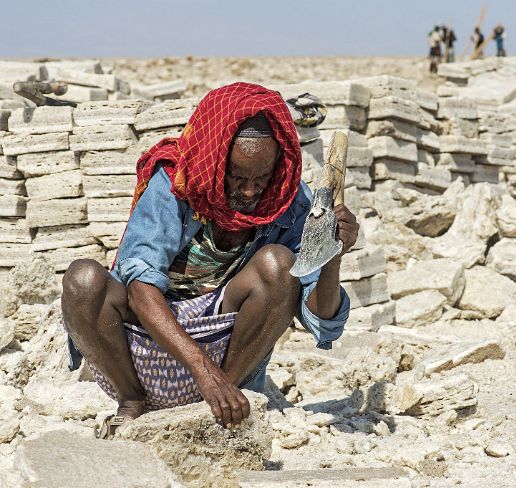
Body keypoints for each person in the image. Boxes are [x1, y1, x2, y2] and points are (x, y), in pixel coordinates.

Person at [61, 82, 358, 436]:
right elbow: (140, 288)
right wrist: (204, 372)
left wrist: (332, 257)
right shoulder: (176, 184)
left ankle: (222, 409)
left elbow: (323, 323)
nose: (250, 191)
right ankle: (132, 404)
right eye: (237, 177)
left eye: (260, 178)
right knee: (82, 280)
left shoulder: (289, 203)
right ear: (214, 162)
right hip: (145, 345)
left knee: (279, 265)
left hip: (227, 361)